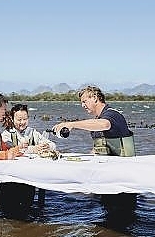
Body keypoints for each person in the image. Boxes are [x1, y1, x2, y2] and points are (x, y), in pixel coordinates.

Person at [51, 85, 137, 216]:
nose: (82, 105)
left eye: (84, 101)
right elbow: (101, 145)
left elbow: (105, 125)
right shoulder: (97, 119)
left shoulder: (111, 114)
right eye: (81, 103)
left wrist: (72, 124)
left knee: (122, 216)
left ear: (95, 98)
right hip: (107, 178)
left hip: (122, 180)